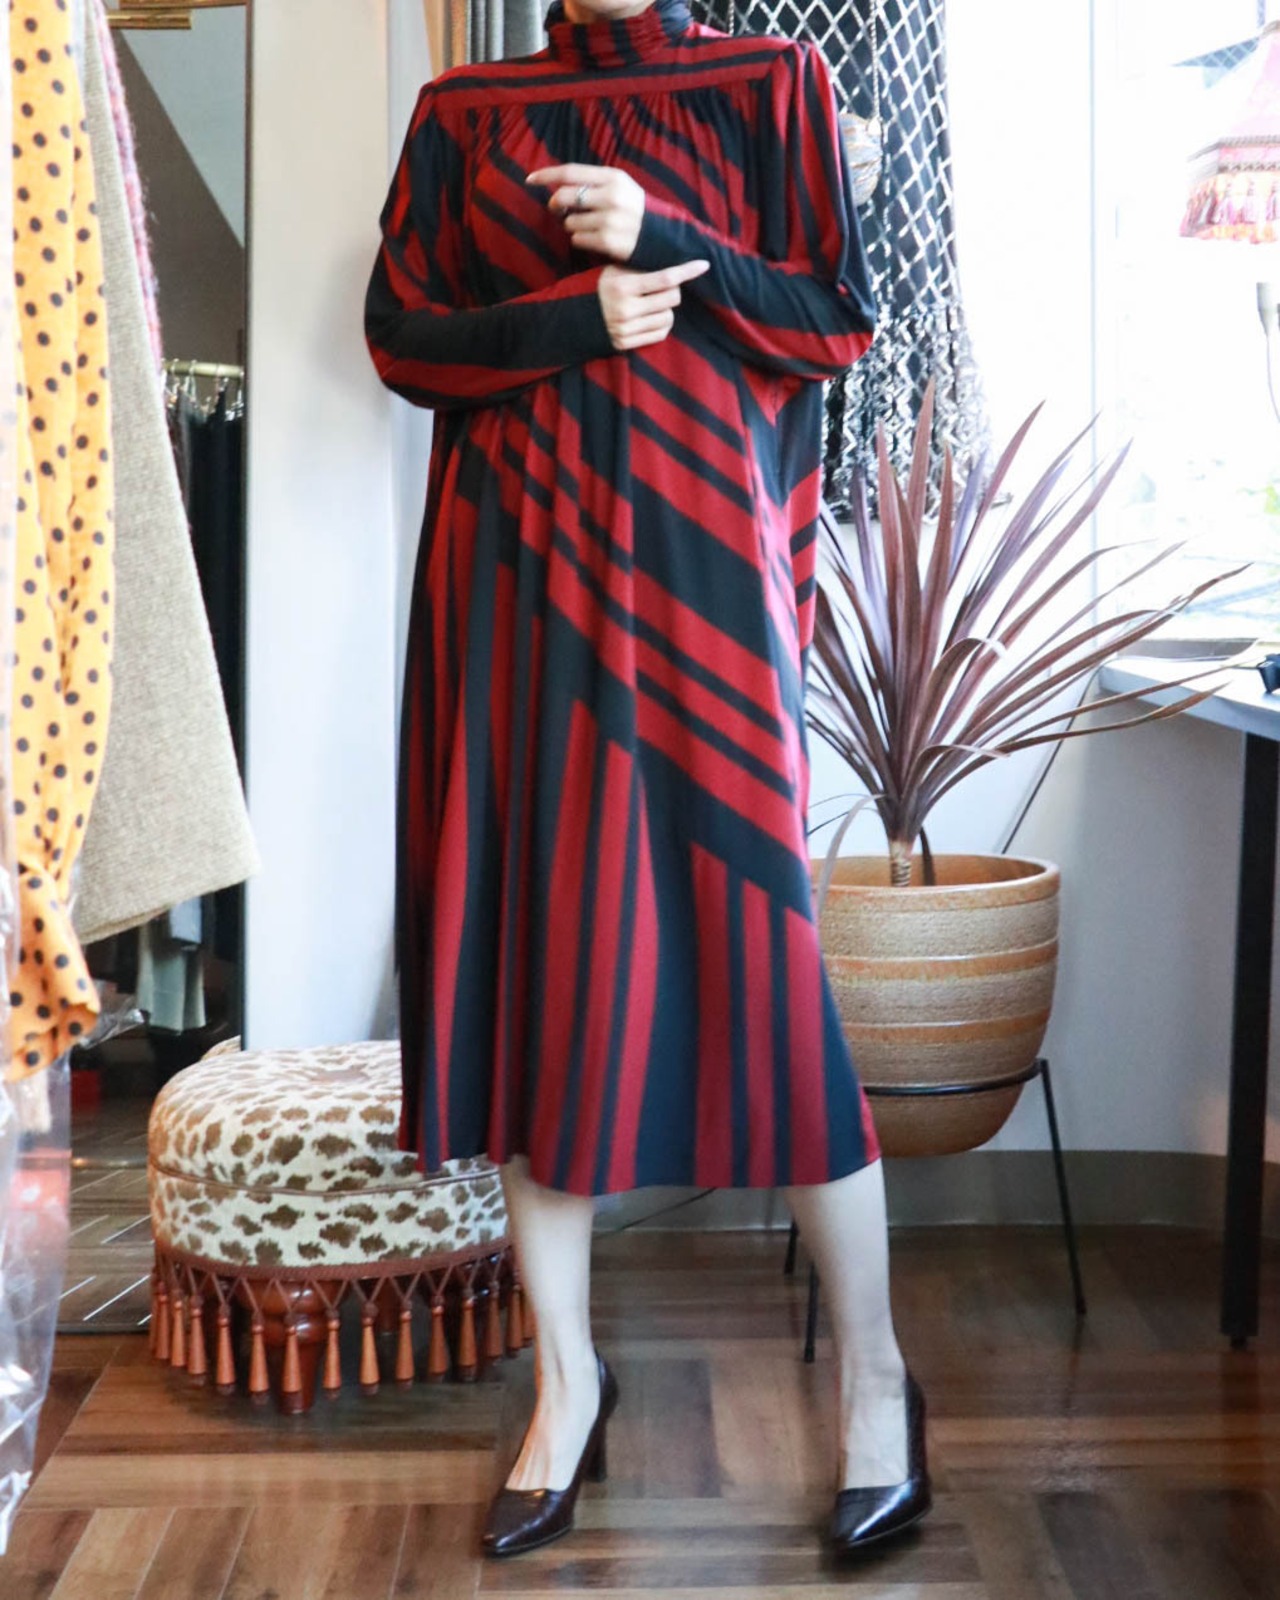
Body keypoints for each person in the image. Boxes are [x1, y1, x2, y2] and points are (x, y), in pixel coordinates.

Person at [364, 0, 931, 1559]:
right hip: (517, 601)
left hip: (706, 603)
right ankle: (565, 1386)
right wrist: (573, 316)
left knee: (769, 982)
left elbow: (833, 322)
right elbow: (402, 338)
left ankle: (879, 1386)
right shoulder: (466, 113)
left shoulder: (773, 83)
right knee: (543, 970)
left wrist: (665, 235)